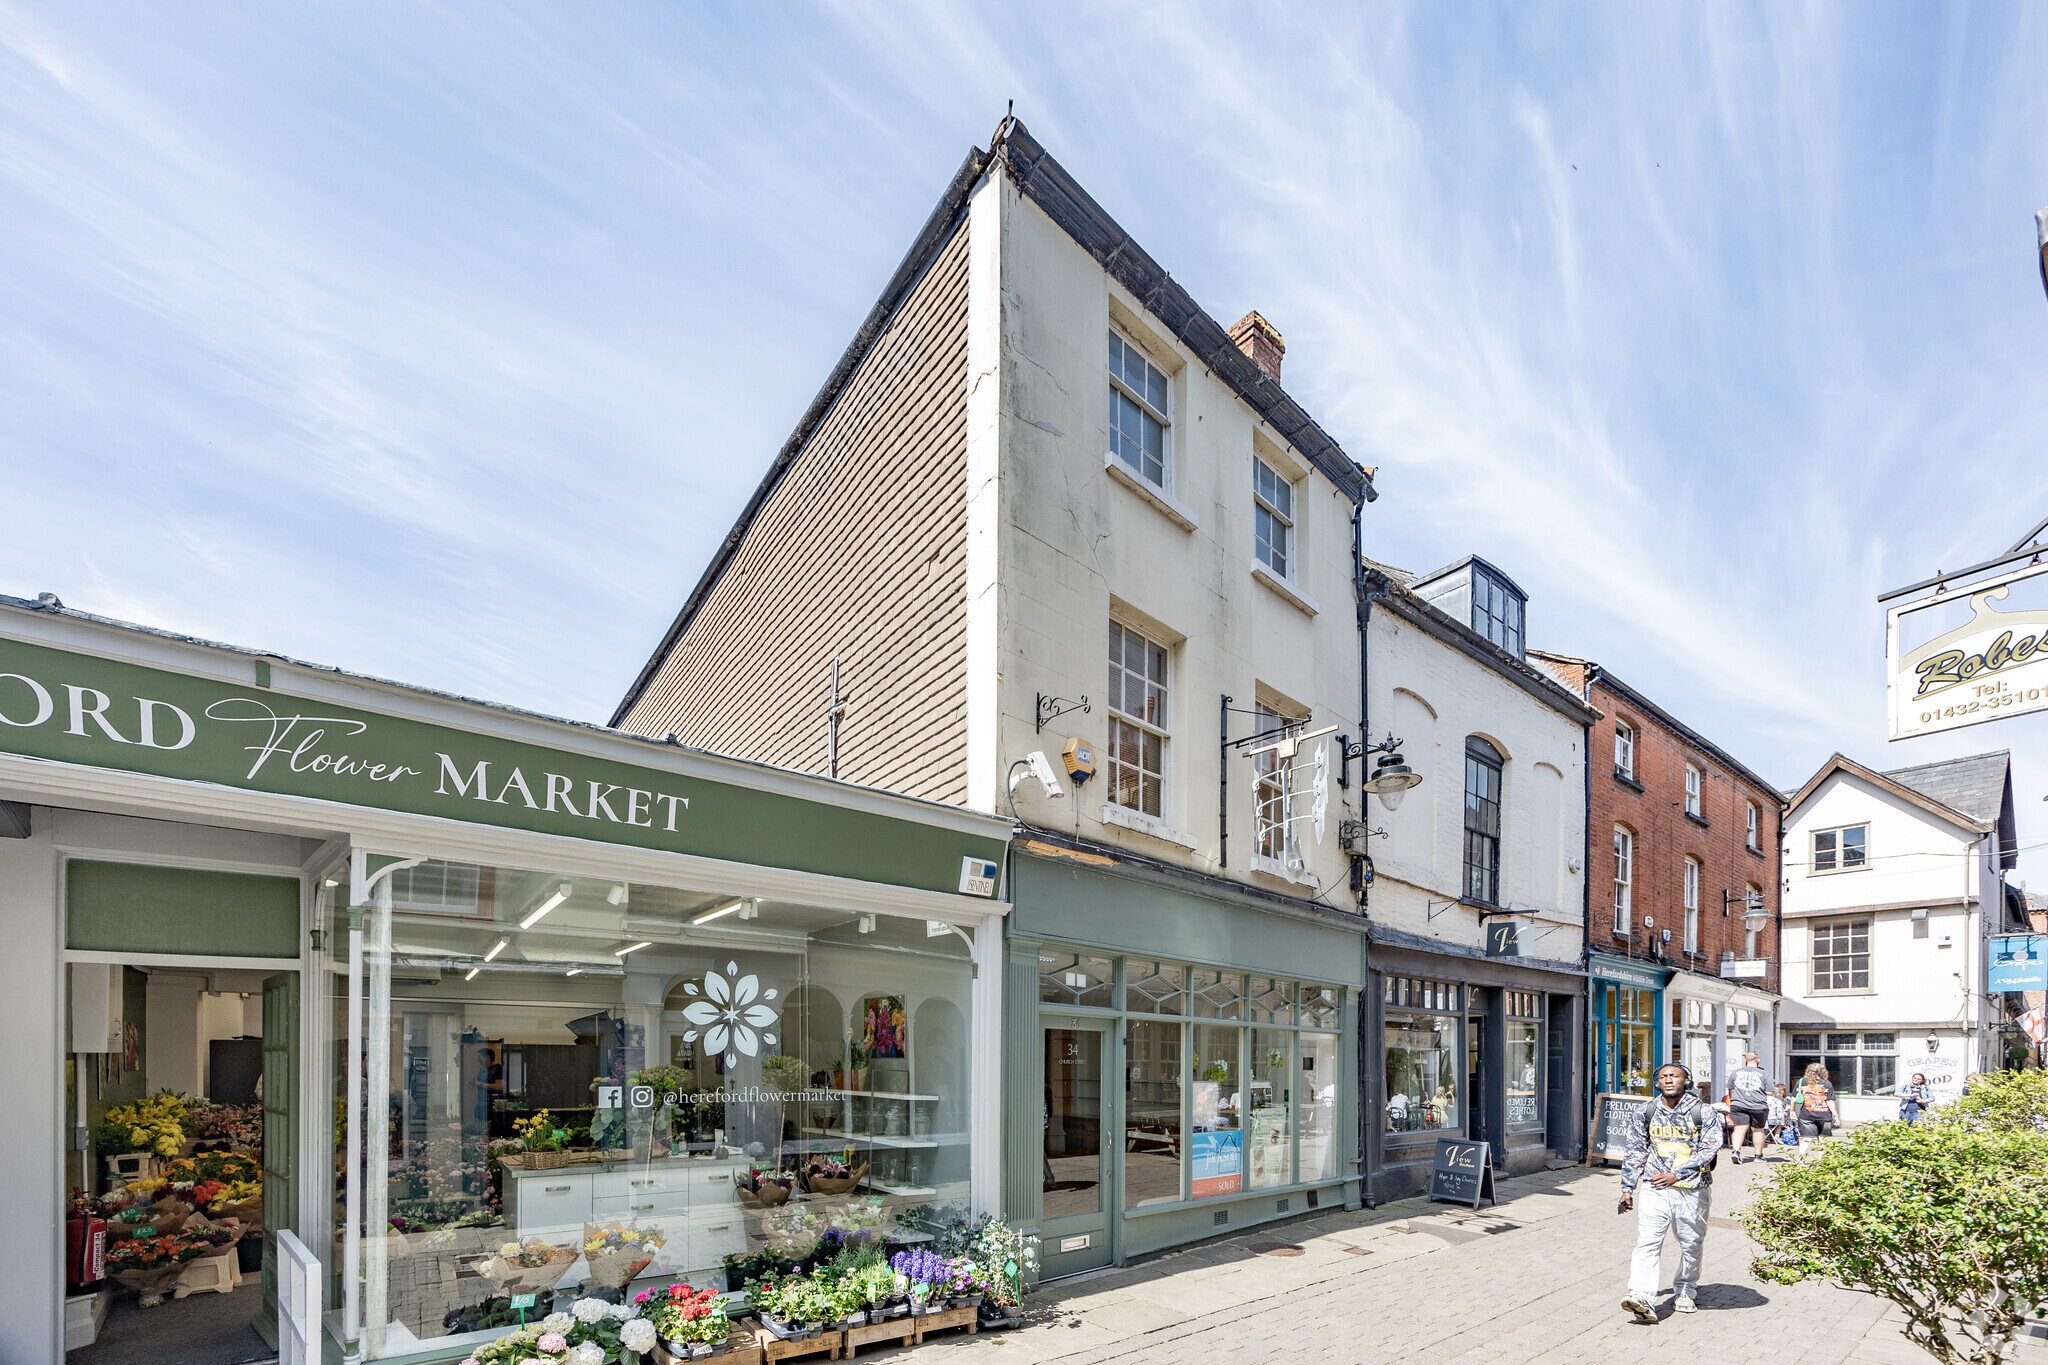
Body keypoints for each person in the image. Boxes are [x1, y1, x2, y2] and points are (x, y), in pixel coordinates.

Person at [1619, 1062, 1724, 1322]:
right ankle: (1641, 1295)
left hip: (1691, 1190)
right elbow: (1635, 1150)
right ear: (1657, 1082)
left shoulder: (1703, 1111)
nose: (1668, 1080)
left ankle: (1686, 1288)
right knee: (1647, 1243)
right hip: (1654, 1188)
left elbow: (1709, 1149)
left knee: (1690, 1244)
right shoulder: (1646, 1111)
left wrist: (1676, 1174)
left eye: (1674, 1076)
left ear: (1685, 1081)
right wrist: (1627, 1188)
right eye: (1663, 1076)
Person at [1723, 1051, 1772, 1163]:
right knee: (1758, 1130)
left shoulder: (1735, 1073)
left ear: (1746, 1060)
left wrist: (1733, 1101)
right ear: (1758, 1060)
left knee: (1739, 1128)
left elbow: (1730, 1089)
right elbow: (1770, 1092)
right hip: (1758, 1105)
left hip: (1738, 1104)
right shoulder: (1764, 1074)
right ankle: (1758, 1156)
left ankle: (1735, 1151)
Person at [1796, 1062, 1840, 1147]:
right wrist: (1836, 1116)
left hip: (1806, 1115)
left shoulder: (1801, 1082)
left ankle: (1800, 1159)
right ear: (1823, 1072)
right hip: (1824, 1115)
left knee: (1806, 1139)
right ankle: (1820, 1159)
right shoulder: (1827, 1083)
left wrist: (1792, 1111)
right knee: (1822, 1140)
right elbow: (1830, 1101)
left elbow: (1794, 1098)